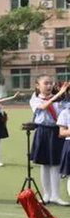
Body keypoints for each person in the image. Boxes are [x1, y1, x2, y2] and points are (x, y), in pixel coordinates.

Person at [30, 75, 68, 205]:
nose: (49, 86)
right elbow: (44, 106)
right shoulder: (35, 99)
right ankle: (46, 194)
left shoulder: (59, 98)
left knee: (56, 164)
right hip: (43, 132)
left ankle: (55, 196)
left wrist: (64, 93)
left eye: (50, 83)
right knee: (45, 165)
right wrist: (59, 94)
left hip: (56, 131)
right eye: (45, 83)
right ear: (37, 85)